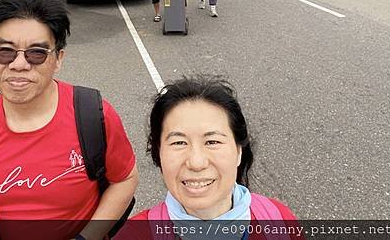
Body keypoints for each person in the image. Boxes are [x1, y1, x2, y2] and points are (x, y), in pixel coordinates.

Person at [0, 0, 139, 240]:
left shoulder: (93, 116)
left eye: (36, 53)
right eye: (5, 51)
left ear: (58, 59)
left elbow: (124, 179)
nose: (19, 64)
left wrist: (87, 237)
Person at [116, 76, 299, 240]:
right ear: (159, 155)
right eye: (179, 143)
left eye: (212, 142)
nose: (196, 163)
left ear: (239, 152)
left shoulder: (280, 221)